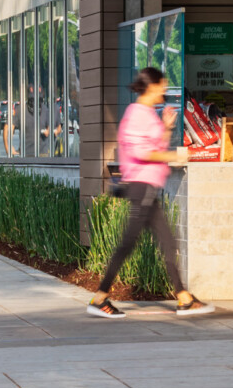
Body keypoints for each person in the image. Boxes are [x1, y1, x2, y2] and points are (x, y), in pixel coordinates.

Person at [87, 68, 214, 319]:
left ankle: (183, 297)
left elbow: (154, 146)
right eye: (163, 85)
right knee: (128, 244)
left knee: (168, 242)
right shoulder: (136, 115)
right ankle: (100, 297)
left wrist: (166, 128)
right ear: (153, 86)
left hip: (149, 188)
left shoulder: (147, 114)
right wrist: (173, 155)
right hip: (141, 186)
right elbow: (142, 153)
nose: (165, 90)